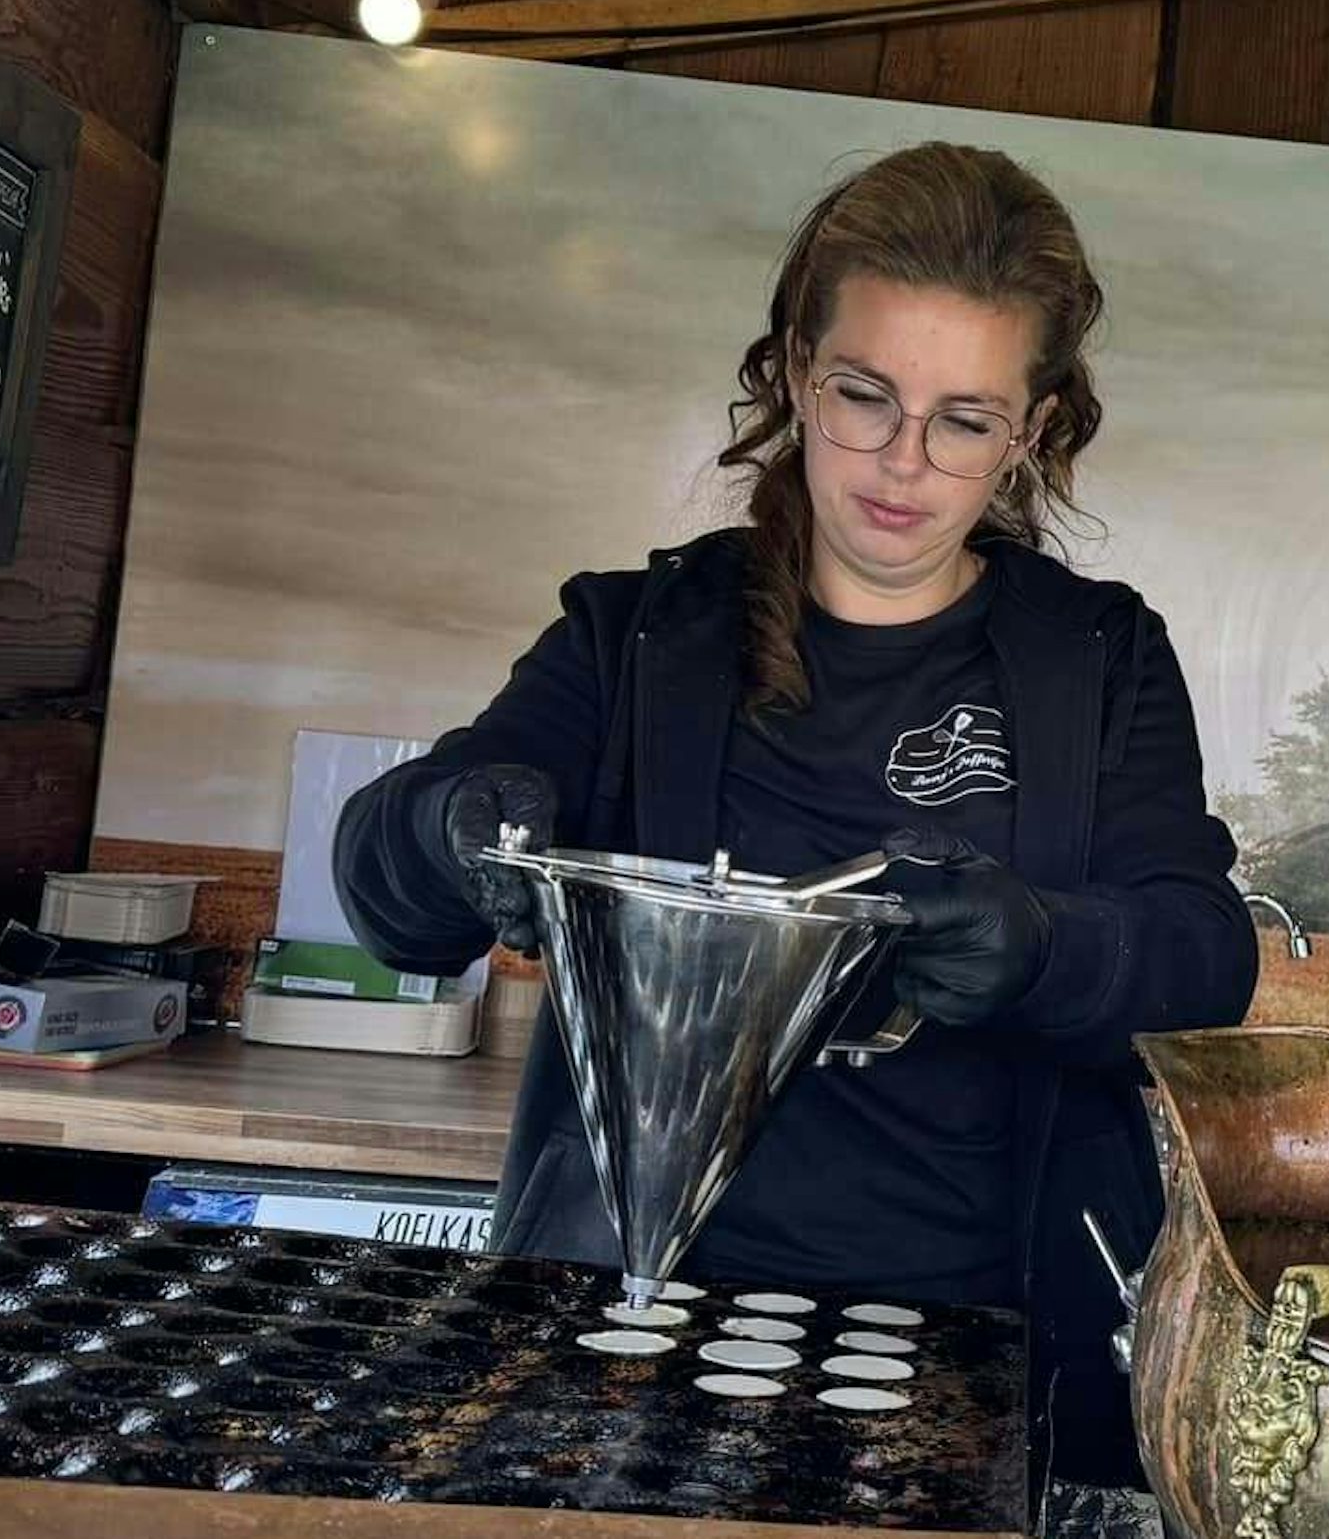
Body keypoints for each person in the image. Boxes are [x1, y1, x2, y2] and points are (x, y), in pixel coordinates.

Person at [333, 141, 1257, 1485]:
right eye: (864, 397)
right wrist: (448, 823)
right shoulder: (638, 636)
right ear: (794, 373)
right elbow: (391, 905)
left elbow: (1202, 957)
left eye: (966, 419)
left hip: (994, 1344)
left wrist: (1042, 947)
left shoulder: (1098, 661)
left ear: (1033, 432)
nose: (904, 462)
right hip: (633, 1327)